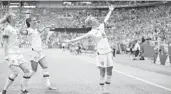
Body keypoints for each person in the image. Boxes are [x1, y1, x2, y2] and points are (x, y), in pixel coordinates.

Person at [64, 6, 115, 93]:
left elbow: (106, 18)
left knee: (110, 70)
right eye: (95, 19)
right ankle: (101, 90)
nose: (97, 20)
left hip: (108, 52)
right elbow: (80, 38)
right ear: (92, 23)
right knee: (102, 72)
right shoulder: (91, 33)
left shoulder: (102, 26)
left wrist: (110, 11)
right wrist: (70, 41)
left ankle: (107, 90)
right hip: (101, 54)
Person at [20, 16, 56, 90]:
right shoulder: (29, 30)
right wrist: (21, 28)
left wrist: (47, 26)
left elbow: (41, 30)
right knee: (33, 70)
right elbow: (23, 32)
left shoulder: (35, 29)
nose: (36, 21)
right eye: (34, 20)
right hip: (34, 52)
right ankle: (23, 84)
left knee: (45, 67)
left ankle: (48, 85)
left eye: (36, 20)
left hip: (40, 52)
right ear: (30, 22)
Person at [0, 13, 32, 94]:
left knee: (27, 70)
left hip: (18, 53)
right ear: (10, 19)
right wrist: (6, 55)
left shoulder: (15, 28)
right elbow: (5, 42)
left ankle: (23, 88)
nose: (16, 17)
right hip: (11, 53)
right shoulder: (7, 29)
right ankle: (4, 90)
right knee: (15, 73)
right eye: (14, 16)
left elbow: (22, 34)